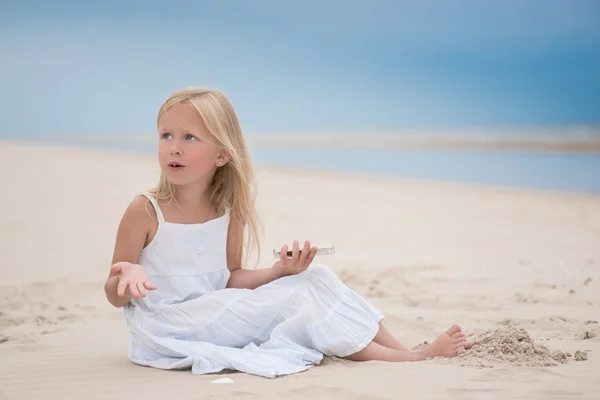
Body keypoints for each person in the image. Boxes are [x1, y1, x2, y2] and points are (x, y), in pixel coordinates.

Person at [104, 87, 473, 378]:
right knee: (295, 302)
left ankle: (403, 349)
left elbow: (231, 278)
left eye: (190, 138)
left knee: (316, 278)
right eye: (166, 135)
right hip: (167, 326)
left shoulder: (229, 210)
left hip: (214, 311)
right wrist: (126, 276)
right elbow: (114, 293)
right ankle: (410, 360)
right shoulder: (146, 210)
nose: (174, 147)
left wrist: (280, 272)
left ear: (222, 155)